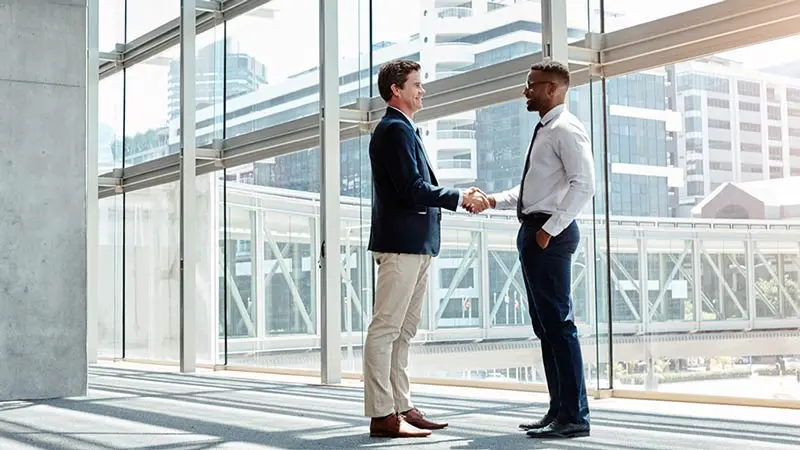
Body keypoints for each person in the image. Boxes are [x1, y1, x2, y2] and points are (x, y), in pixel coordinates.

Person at [363, 59, 489, 438]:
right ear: (394, 90)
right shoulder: (392, 130)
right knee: (386, 329)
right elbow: (411, 189)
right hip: (401, 246)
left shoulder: (405, 130)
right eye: (416, 84)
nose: (422, 90)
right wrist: (458, 196)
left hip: (415, 245)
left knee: (403, 332)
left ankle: (401, 405)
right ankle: (382, 414)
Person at [469, 60, 595, 439]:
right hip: (534, 230)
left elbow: (584, 184)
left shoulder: (566, 129)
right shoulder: (546, 130)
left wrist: (549, 231)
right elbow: (532, 194)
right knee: (546, 328)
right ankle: (559, 411)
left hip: (548, 235)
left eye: (532, 85)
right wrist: (492, 200)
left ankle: (574, 417)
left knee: (559, 326)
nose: (526, 91)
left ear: (553, 89)